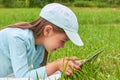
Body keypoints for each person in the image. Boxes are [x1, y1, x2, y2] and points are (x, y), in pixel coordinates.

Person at [0, 3, 84, 80]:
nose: (62, 46)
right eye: (63, 41)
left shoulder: (39, 44)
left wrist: (66, 65)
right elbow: (23, 77)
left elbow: (38, 72)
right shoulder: (18, 38)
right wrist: (56, 65)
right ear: (47, 30)